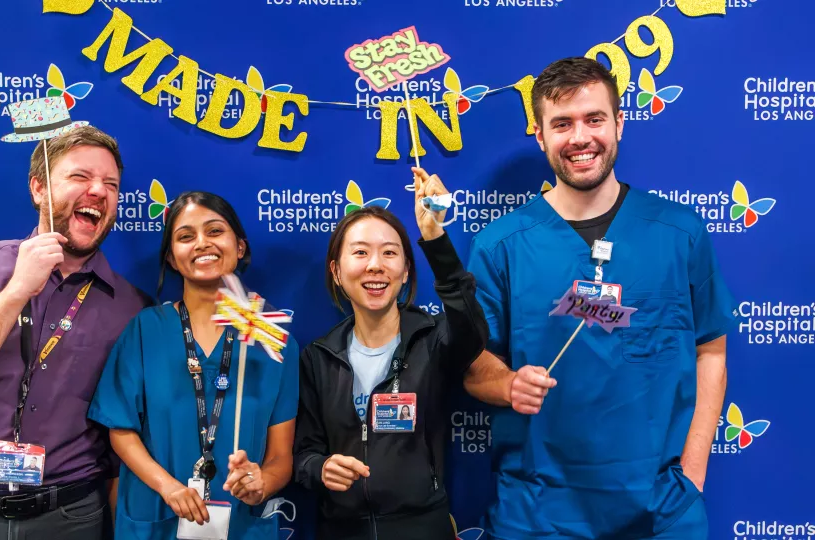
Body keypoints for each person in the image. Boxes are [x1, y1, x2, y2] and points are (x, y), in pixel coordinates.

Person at [463, 57, 737, 539]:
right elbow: (473, 364)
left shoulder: (679, 233)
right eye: (562, 123)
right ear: (540, 135)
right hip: (537, 513)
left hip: (661, 513)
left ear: (619, 124)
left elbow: (710, 351)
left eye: (594, 119)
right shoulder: (499, 245)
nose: (580, 137)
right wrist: (507, 384)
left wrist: (692, 476)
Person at [0, 118, 152, 539]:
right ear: (39, 189)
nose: (99, 191)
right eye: (80, 176)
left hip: (70, 517)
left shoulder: (131, 307)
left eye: (111, 184)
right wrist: (17, 290)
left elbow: (123, 436)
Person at [87, 191, 300, 540]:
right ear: (172, 258)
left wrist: (261, 483)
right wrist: (169, 488)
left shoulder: (270, 340)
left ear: (240, 246)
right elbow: (120, 432)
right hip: (156, 515)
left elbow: (281, 457)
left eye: (215, 231)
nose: (202, 243)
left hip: (241, 524)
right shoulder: (145, 330)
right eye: (186, 236)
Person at [293, 168, 488, 540]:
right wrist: (321, 468)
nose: (375, 265)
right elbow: (303, 453)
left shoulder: (432, 339)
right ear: (336, 271)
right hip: (340, 530)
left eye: (389, 253)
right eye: (360, 253)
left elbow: (473, 332)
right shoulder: (318, 356)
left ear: (404, 271)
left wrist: (434, 237)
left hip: (423, 527)